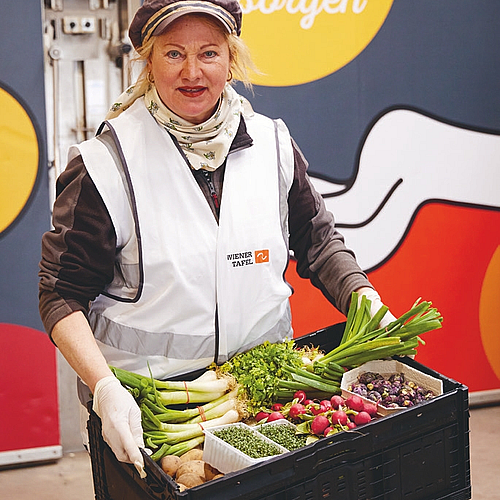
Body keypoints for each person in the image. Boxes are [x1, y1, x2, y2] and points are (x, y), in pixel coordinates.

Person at [39, 0, 395, 477]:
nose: (192, 72)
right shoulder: (105, 165)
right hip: (156, 411)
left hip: (266, 396)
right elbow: (60, 293)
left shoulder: (272, 145)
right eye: (173, 53)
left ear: (231, 60)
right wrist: (105, 389)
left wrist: (365, 301)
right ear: (148, 61)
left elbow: (318, 241)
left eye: (208, 53)